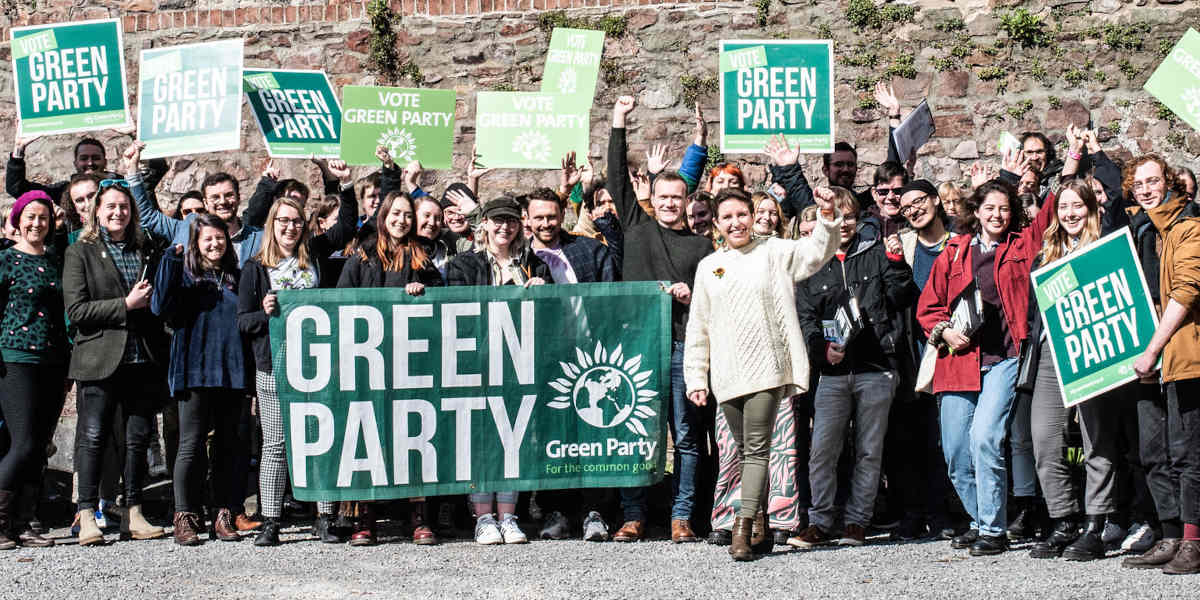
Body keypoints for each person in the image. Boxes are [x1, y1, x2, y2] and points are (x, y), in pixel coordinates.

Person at [684, 184, 841, 560]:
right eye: (727, 218)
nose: (736, 223)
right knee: (743, 452)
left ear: (752, 217)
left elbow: (816, 252)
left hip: (767, 368)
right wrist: (696, 378)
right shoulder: (709, 267)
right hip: (727, 375)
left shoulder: (774, 251)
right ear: (716, 225)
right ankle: (760, 525)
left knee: (756, 450)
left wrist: (827, 216)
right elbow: (698, 326)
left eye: (742, 214)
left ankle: (741, 527)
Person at [917, 176, 1054, 557]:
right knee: (957, 451)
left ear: (1012, 215)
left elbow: (1047, 218)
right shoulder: (954, 252)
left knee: (986, 439)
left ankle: (993, 530)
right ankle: (980, 520)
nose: (997, 214)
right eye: (989, 207)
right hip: (958, 360)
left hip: (1005, 359)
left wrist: (1071, 162)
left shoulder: (1021, 246)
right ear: (975, 212)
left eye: (1004, 208)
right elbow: (929, 308)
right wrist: (944, 332)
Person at [606, 95, 715, 543]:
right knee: (634, 436)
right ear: (652, 195)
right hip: (635, 349)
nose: (669, 203)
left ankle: (681, 516)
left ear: (688, 200)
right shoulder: (635, 226)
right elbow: (615, 176)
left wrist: (693, 296)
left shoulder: (703, 248)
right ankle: (633, 516)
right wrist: (618, 120)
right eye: (663, 196)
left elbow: (713, 305)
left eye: (677, 197)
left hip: (681, 349)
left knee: (686, 439)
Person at [238, 161, 357, 547]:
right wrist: (264, 312)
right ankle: (271, 519)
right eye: (283, 221)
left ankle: (324, 517)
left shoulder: (316, 254)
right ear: (272, 223)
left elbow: (346, 228)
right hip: (274, 366)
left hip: (317, 366)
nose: (290, 227)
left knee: (317, 440)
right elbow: (243, 321)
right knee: (275, 445)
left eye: (296, 221)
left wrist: (344, 183)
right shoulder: (256, 268)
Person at [791, 186, 918, 548]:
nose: (843, 224)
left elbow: (900, 297)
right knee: (823, 449)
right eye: (836, 216)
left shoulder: (877, 254)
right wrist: (821, 350)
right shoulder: (811, 265)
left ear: (859, 219)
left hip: (876, 367)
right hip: (832, 372)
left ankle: (857, 522)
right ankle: (819, 520)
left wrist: (896, 265)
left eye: (849, 216)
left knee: (868, 449)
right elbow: (806, 319)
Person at [63, 178, 170, 546]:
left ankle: (134, 512)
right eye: (110, 206)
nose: (117, 212)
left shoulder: (144, 248)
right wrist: (125, 305)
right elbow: (77, 310)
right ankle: (86, 512)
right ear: (97, 211)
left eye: (123, 206)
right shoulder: (81, 251)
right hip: (99, 359)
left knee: (137, 439)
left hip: (140, 358)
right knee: (92, 438)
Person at [446, 196, 550, 545]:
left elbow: (550, 317)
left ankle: (508, 515)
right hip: (478, 363)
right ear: (484, 224)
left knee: (513, 438)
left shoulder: (535, 265)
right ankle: (483, 516)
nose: (503, 227)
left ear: (519, 226)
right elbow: (457, 310)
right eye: (496, 220)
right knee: (480, 441)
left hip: (519, 365)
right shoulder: (464, 264)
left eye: (510, 221)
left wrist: (542, 293)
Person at [522, 182, 619, 541]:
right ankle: (555, 511)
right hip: (542, 357)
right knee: (553, 436)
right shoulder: (520, 258)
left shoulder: (589, 250)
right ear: (527, 219)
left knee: (596, 434)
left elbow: (612, 298)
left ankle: (595, 511)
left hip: (590, 353)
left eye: (551, 216)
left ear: (562, 216)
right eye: (539, 218)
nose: (546, 223)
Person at [1121, 154, 1200, 573]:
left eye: (1153, 181)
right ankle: (1169, 534)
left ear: (1170, 183)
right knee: (1153, 450)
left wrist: (1153, 347)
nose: (1146, 189)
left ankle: (1193, 540)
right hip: (1146, 357)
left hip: (1180, 355)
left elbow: (1185, 293)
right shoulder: (1142, 230)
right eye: (1139, 184)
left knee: (1187, 452)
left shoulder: (1188, 228)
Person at [151, 214, 247, 546]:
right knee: (190, 445)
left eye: (220, 238)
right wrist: (169, 260)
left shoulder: (238, 275)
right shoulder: (184, 275)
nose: (214, 244)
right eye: (207, 238)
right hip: (194, 369)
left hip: (231, 371)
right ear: (195, 242)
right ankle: (185, 515)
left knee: (228, 446)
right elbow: (158, 304)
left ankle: (223, 513)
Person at [0, 191, 68, 550]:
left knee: (39, 445)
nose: (36, 223)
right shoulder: (6, 260)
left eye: (43, 217)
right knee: (22, 442)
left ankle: (25, 522)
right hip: (16, 360)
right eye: (30, 217)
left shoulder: (56, 261)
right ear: (17, 220)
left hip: (53, 361)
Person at [128, 142, 264, 268]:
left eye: (228, 195)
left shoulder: (258, 238)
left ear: (238, 198)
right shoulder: (188, 228)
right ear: (205, 203)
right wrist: (132, 169)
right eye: (215, 197)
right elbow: (147, 216)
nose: (223, 201)